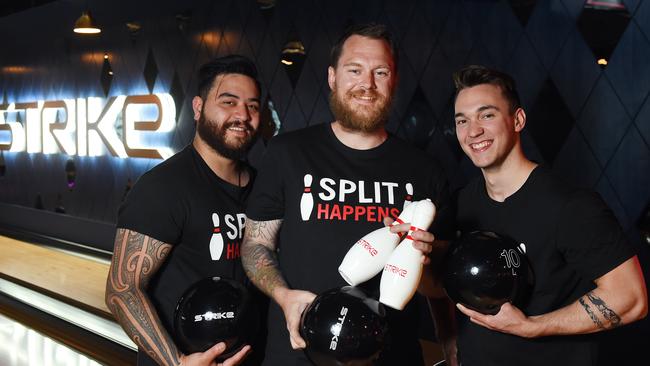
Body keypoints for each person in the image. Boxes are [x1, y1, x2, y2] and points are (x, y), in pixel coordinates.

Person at [240, 23, 455, 365]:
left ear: (394, 81)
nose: (367, 84)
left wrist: (427, 262)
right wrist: (283, 296)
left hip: (393, 357)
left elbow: (438, 287)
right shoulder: (288, 153)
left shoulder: (424, 170)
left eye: (380, 72)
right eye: (354, 70)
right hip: (299, 357)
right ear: (332, 77)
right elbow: (255, 244)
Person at [451, 64, 648, 365]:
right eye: (462, 120)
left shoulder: (571, 205)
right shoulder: (463, 204)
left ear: (517, 120)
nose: (473, 130)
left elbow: (632, 299)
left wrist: (534, 328)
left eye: (487, 115)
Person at [105, 55, 264, 366]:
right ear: (198, 107)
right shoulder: (162, 187)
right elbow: (122, 290)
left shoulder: (264, 188)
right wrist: (176, 362)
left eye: (253, 106)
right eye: (228, 102)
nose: (242, 115)